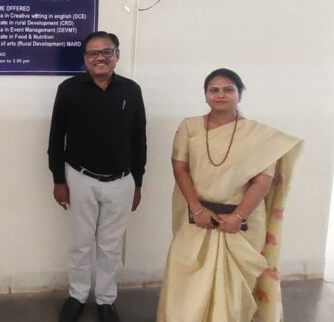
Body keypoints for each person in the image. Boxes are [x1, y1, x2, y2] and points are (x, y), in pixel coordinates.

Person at [156, 68, 304, 322]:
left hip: (241, 225)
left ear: (240, 95)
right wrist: (197, 209)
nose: (220, 95)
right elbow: (180, 167)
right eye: (214, 90)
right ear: (205, 96)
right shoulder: (190, 126)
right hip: (196, 219)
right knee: (186, 284)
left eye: (228, 89)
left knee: (233, 293)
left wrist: (238, 216)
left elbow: (262, 180)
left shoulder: (258, 135)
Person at [48, 31, 146, 322]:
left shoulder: (131, 90)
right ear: (85, 59)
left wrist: (137, 182)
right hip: (80, 178)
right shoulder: (68, 89)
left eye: (107, 51)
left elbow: (139, 138)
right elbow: (56, 138)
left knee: (110, 246)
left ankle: (106, 300)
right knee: (80, 243)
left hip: (121, 181)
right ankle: (77, 296)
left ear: (117, 55)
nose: (100, 57)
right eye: (93, 53)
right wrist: (58, 180)